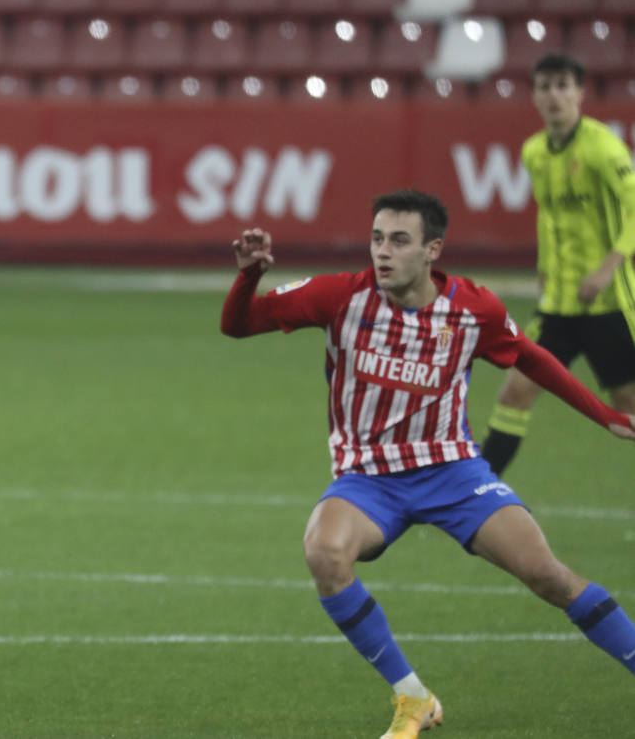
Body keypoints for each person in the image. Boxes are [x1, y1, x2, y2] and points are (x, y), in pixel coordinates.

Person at [220, 189, 635, 739]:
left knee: (548, 575)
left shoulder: (472, 310)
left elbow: (533, 359)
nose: (382, 252)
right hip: (368, 479)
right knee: (324, 552)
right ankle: (413, 698)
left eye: (398, 241)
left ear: (432, 249)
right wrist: (248, 276)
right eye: (376, 238)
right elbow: (237, 325)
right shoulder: (339, 297)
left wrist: (606, 415)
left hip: (454, 474)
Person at [480, 53, 635, 474]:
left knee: (628, 409)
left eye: (564, 85)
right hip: (558, 309)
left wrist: (607, 268)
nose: (555, 95)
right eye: (546, 86)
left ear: (580, 92)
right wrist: (545, 267)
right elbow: (549, 216)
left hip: (610, 306)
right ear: (534, 95)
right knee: (515, 392)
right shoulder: (534, 152)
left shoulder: (603, 147)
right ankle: (472, 493)